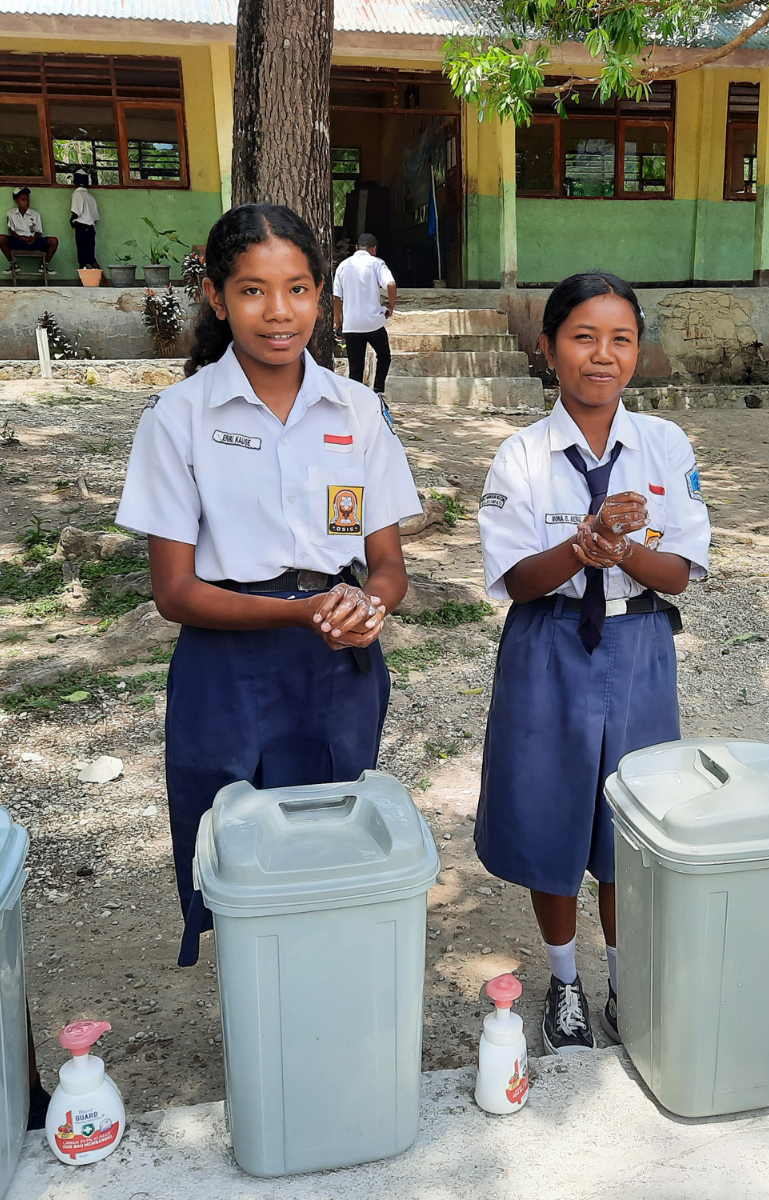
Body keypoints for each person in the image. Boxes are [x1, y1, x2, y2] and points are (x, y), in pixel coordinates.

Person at [115, 203, 422, 966]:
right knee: (237, 841)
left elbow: (388, 566)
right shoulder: (178, 418)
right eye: (252, 291)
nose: (278, 314)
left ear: (323, 296)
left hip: (336, 664)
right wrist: (300, 612)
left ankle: (328, 988)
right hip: (226, 667)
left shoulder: (359, 411)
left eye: (296, 290)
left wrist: (366, 603)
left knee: (335, 831)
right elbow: (174, 592)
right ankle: (260, 997)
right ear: (218, 299)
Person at [474, 271, 710, 1053]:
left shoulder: (666, 447)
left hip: (638, 646)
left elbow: (679, 573)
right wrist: (582, 543)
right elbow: (516, 580)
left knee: (630, 821)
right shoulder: (521, 455)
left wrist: (626, 548)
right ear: (548, 349)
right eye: (582, 337)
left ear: (638, 352)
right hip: (548, 647)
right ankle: (565, 980)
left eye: (620, 339)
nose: (601, 355)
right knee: (550, 816)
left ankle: (620, 977)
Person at [333, 233, 396, 399]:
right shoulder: (377, 263)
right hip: (373, 323)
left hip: (351, 325)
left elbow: (336, 298)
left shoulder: (343, 266)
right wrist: (391, 306)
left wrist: (338, 322)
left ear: (356, 248)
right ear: (374, 249)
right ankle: (377, 391)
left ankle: (356, 400)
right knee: (384, 356)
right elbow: (391, 284)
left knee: (356, 367)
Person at [1, 187, 57, 266]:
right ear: (16, 200)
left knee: (54, 241)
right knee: (1, 238)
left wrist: (34, 238)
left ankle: (44, 265)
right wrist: (20, 238)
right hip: (18, 241)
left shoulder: (35, 214)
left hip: (33, 241)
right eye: (23, 200)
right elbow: (11, 232)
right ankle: (13, 264)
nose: (26, 202)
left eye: (28, 199)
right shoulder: (10, 214)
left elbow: (39, 232)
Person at [69, 172, 99, 270]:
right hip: (90, 229)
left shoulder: (77, 194)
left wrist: (71, 220)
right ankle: (83, 281)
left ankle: (103, 279)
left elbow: (76, 211)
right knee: (86, 258)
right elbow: (95, 217)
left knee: (87, 258)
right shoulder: (90, 197)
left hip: (82, 228)